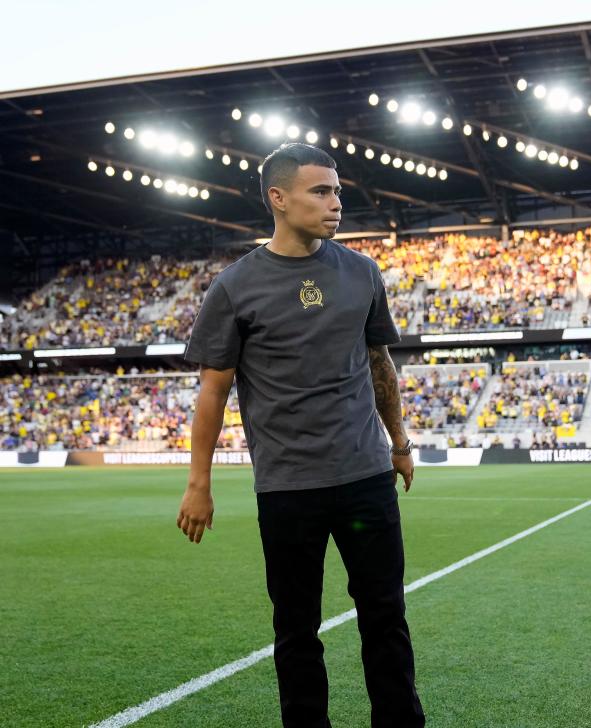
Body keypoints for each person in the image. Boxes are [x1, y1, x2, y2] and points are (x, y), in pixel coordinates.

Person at [176, 143, 425, 727]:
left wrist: (399, 442)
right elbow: (213, 392)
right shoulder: (235, 287)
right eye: (321, 191)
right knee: (296, 629)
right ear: (279, 199)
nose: (336, 203)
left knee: (385, 615)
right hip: (289, 490)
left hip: (365, 480)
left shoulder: (362, 272)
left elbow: (379, 363)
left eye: (337, 191)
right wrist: (198, 484)